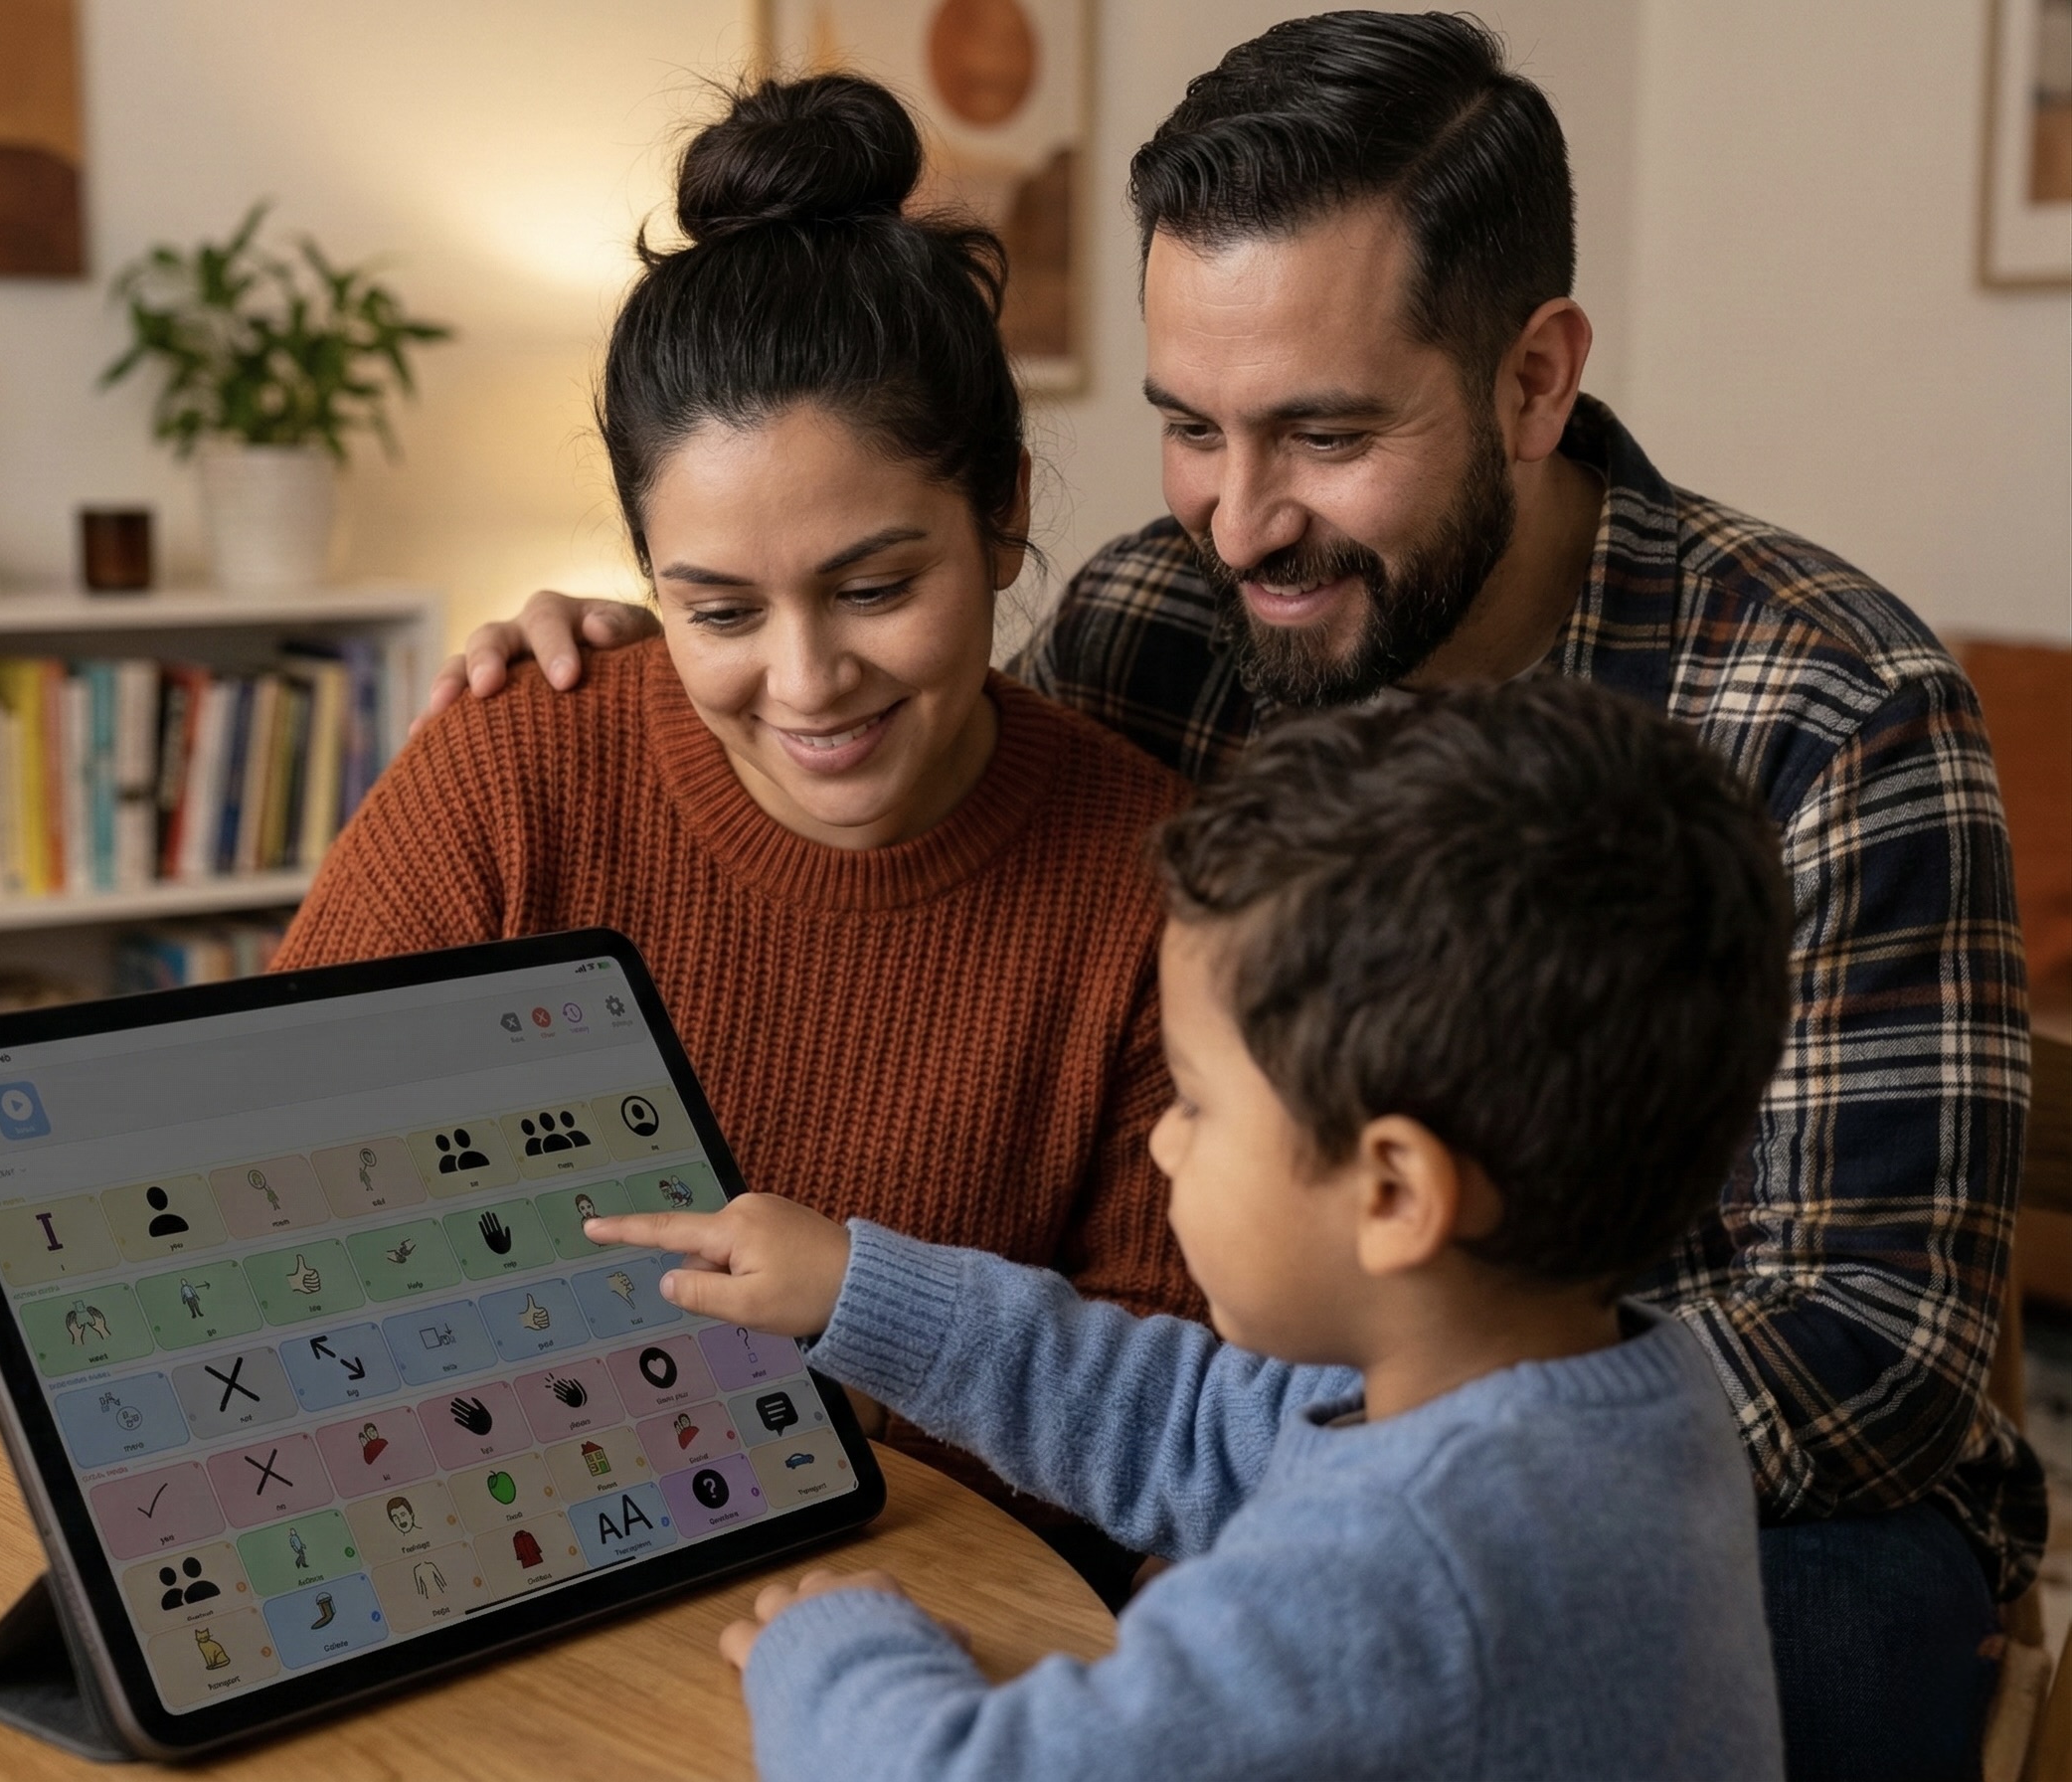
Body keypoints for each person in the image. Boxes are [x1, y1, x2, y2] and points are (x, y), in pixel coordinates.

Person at [433, 16, 2041, 1773]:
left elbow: (1874, 1352)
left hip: (1746, 1505)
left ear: (1532, 379)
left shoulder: (1831, 707)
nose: (1243, 521)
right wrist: (661, 658)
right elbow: (930, 803)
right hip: (1332, 1401)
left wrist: (1412, 1455)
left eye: (1323, 431)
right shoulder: (1155, 622)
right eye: (1191, 428)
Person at [271, 74, 1200, 1594]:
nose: (806, 681)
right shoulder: (515, 766)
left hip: (924, 1619)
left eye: (875, 588)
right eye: (718, 610)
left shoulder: (1153, 879)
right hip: (488, 1550)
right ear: (645, 572)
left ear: (1004, 514)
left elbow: (1161, 1419)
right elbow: (263, 1201)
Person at [587, 679, 1791, 1781]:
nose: (1163, 1142)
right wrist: (865, 1287)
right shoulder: (1601, 1390)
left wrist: (836, 1645)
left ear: (1391, 1194)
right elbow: (1193, 1429)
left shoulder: (1395, 1568)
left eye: (1197, 1104)